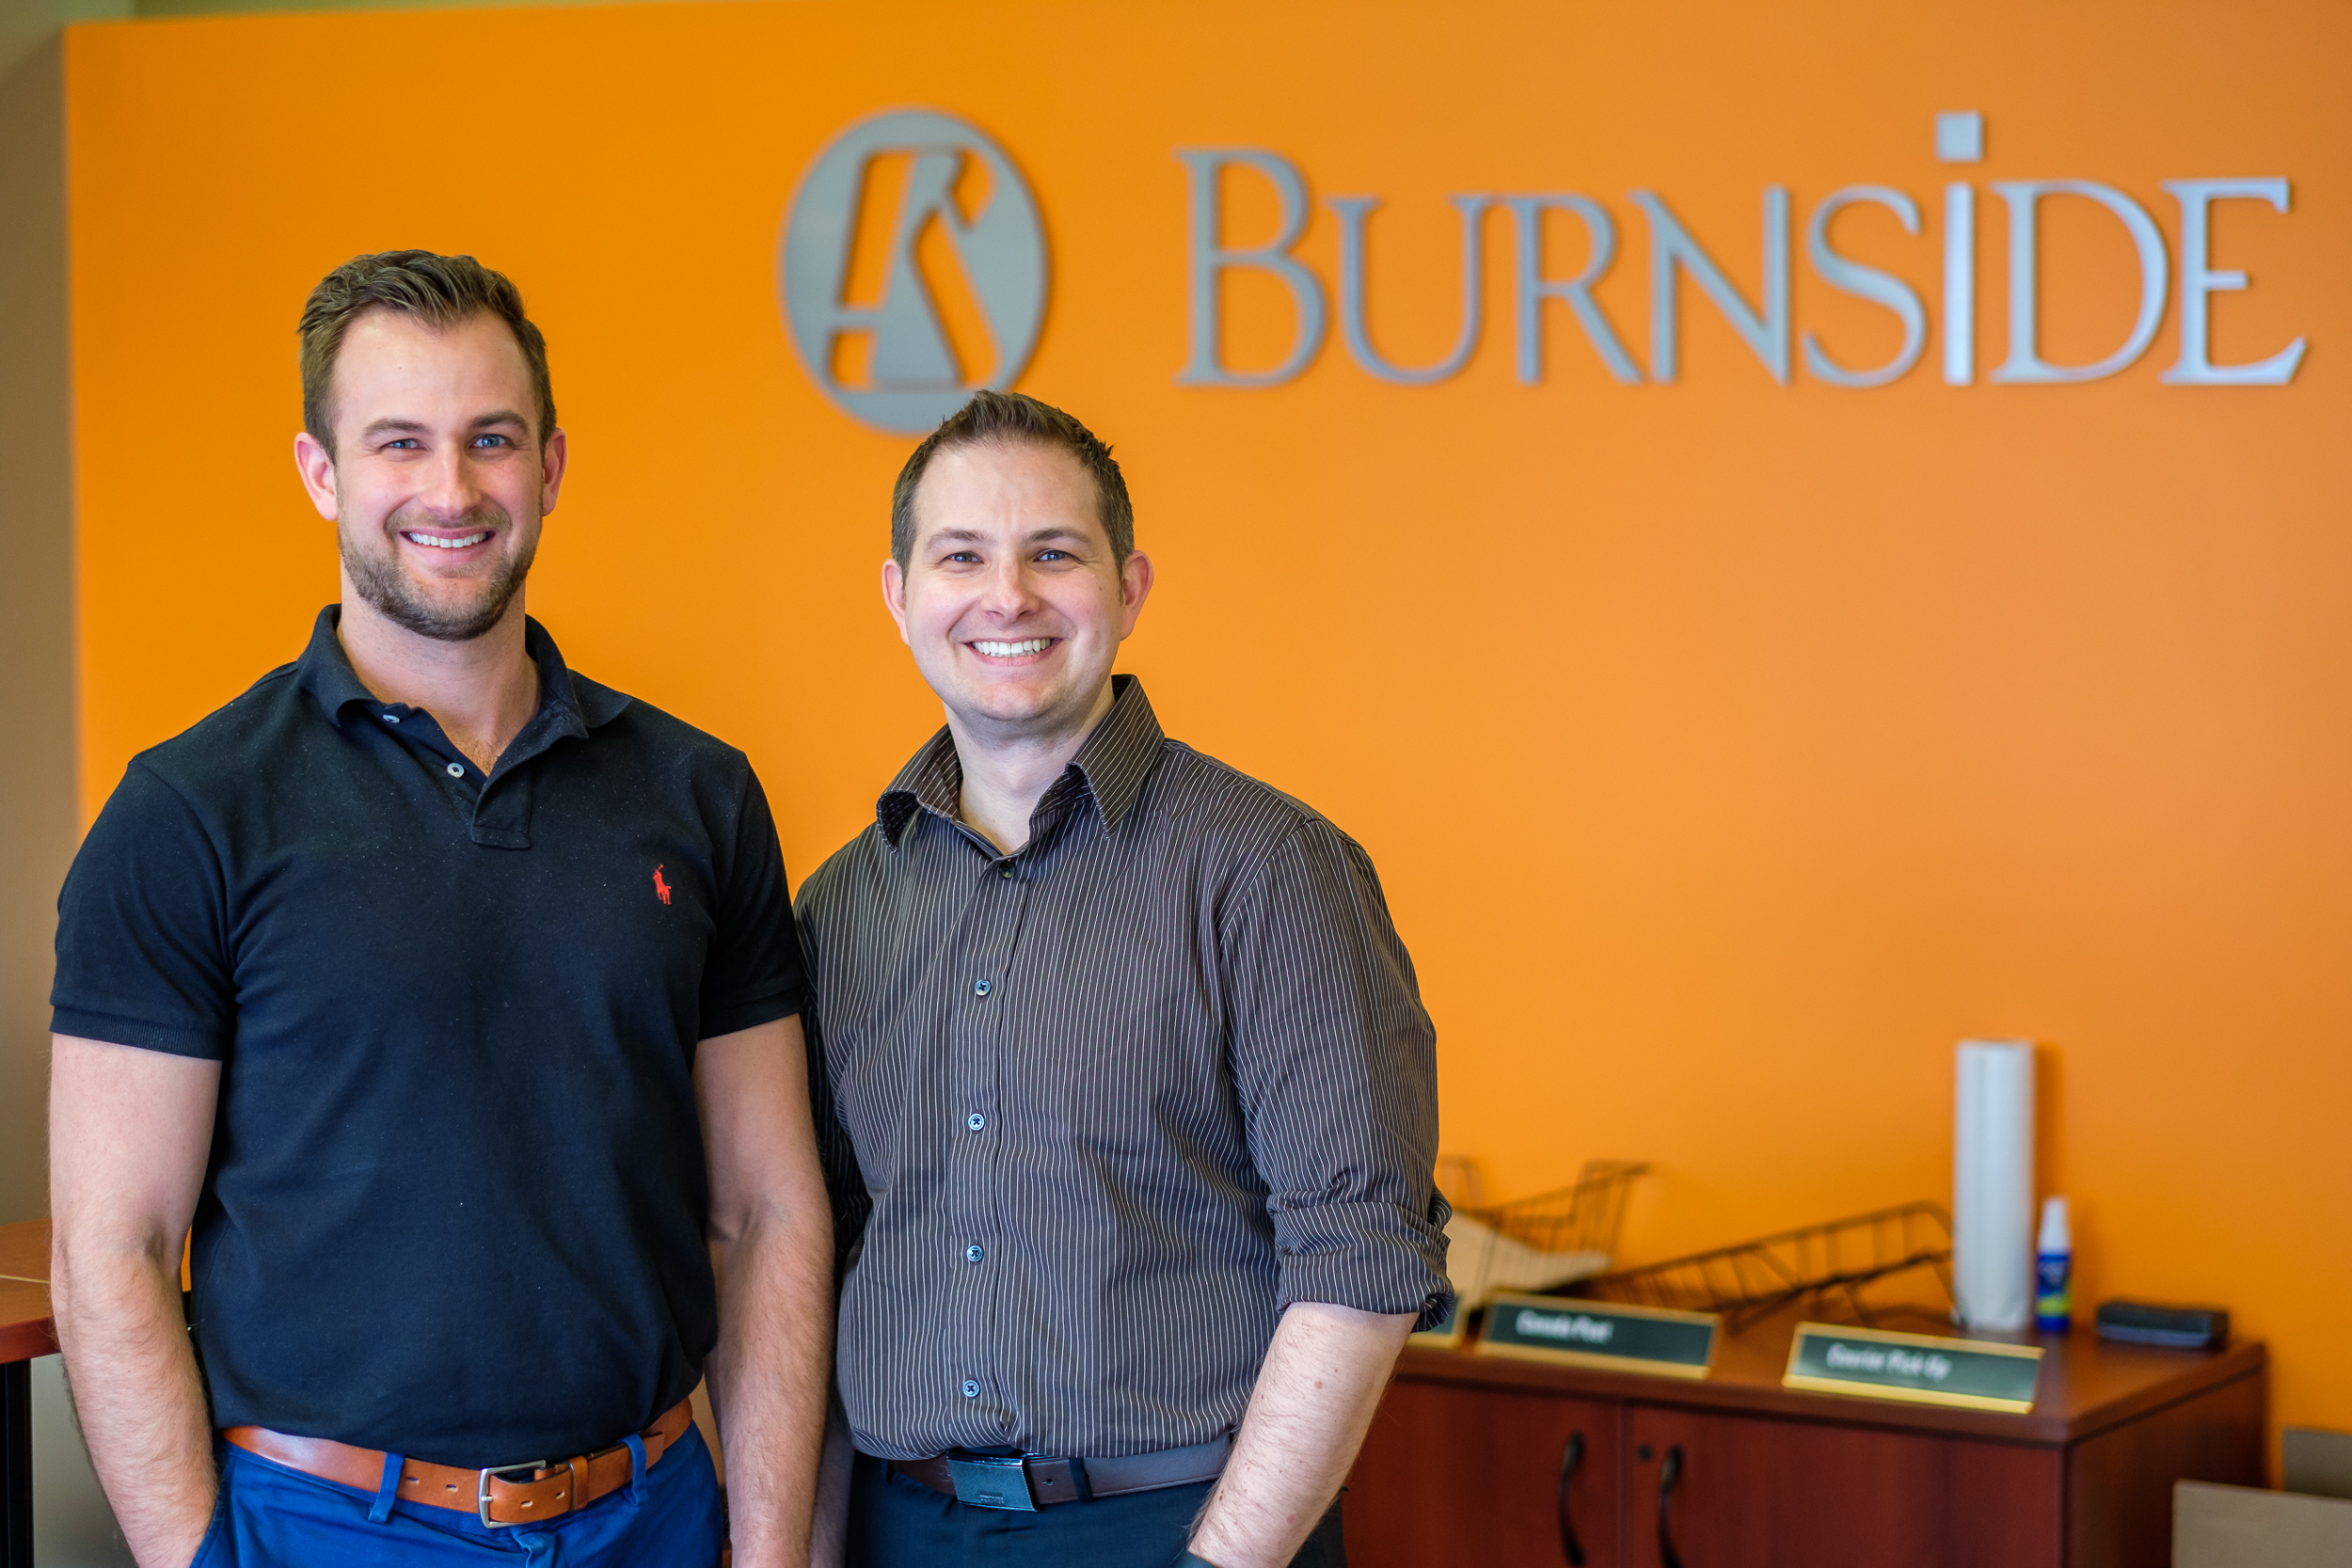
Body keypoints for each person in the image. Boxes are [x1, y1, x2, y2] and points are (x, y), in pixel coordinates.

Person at [48, 251, 833, 1568]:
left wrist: (764, 1550)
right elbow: (109, 1246)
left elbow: (768, 1210)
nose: (453, 488)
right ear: (321, 472)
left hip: (655, 1508)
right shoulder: (189, 812)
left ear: (553, 465)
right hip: (322, 1525)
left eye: (492, 439)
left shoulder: (698, 794)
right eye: (399, 442)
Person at [795, 390, 1451, 1568]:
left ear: (1129, 586)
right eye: (961, 556)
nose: (1008, 596)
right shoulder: (840, 905)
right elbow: (828, 1251)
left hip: (1175, 1526)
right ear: (899, 596)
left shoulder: (1269, 868)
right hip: (904, 1525)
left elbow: (1362, 1251)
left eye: (1054, 552)